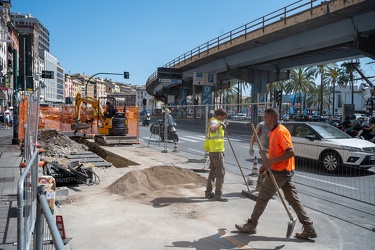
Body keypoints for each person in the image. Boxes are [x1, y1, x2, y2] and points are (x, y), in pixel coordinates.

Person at [235, 107, 317, 239]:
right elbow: (275, 153)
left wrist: (271, 162)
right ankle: (309, 228)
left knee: (262, 197)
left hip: (280, 172)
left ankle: (251, 224)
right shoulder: (274, 131)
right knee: (294, 201)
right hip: (282, 171)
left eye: (265, 117)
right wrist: (265, 165)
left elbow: (290, 152)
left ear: (271, 118)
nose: (264, 119)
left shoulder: (280, 131)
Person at [204, 108, 228, 202]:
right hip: (216, 150)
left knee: (213, 171)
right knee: (220, 172)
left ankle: (208, 192)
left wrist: (222, 125)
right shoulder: (214, 121)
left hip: (215, 150)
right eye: (223, 118)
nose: (223, 120)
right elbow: (212, 130)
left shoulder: (214, 121)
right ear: (219, 116)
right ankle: (218, 194)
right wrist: (220, 124)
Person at [249, 121, 270, 191]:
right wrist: (251, 147)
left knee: (268, 169)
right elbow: (254, 135)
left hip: (273, 150)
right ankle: (260, 186)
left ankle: (263, 186)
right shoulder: (261, 125)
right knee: (268, 167)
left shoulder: (276, 124)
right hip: (264, 149)